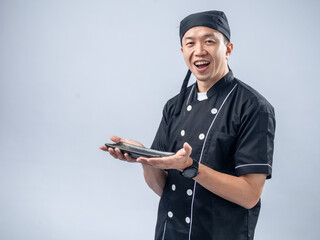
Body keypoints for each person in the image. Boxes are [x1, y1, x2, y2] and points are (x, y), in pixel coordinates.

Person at [100, 10, 275, 240]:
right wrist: (144, 159)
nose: (199, 51)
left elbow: (250, 195)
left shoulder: (253, 107)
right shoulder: (175, 105)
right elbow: (164, 188)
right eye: (190, 43)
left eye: (209, 41)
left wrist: (190, 167)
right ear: (183, 51)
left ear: (228, 49)